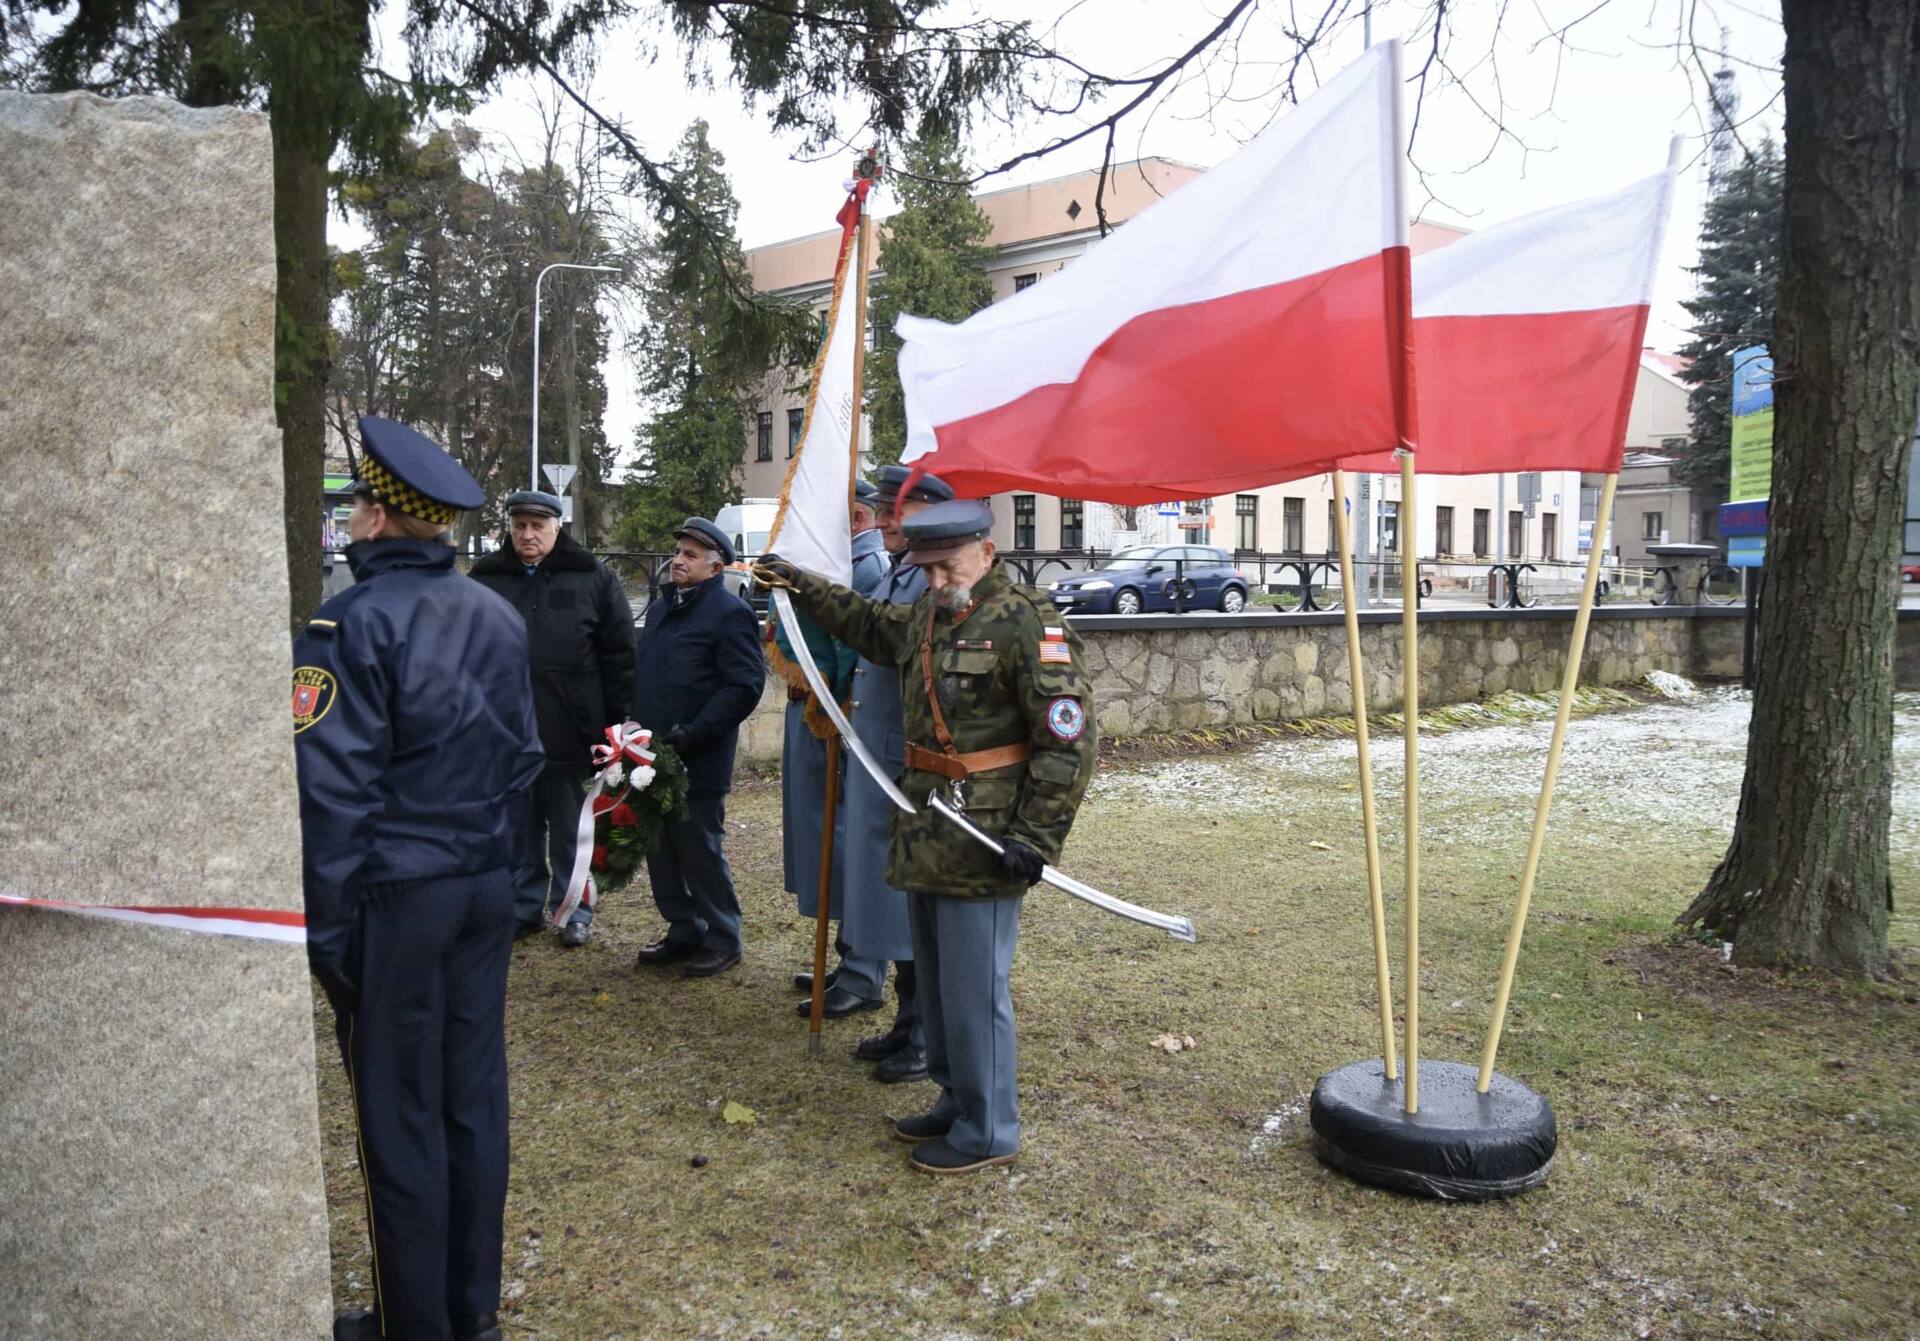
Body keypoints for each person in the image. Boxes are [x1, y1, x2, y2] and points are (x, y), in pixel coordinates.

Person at [292, 416, 544, 1341]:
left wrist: (324, 936)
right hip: (479, 881)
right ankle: (469, 1311)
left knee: (399, 1114)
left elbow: (331, 793)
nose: (354, 516)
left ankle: (416, 1326)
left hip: (399, 894)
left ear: (378, 518)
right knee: (471, 1098)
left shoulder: (348, 622)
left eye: (358, 501)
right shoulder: (494, 612)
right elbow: (524, 758)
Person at [756, 497, 1097, 1174]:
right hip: (926, 825)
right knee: (939, 984)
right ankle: (955, 1096)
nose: (937, 580)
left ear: (985, 551)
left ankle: (991, 1126)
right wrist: (796, 582)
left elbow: (1069, 741)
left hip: (987, 836)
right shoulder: (929, 617)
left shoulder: (1028, 622)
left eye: (948, 566)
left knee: (975, 989)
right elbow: (867, 622)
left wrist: (1038, 836)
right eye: (927, 568)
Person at [815, 464, 955, 1083]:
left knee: (915, 905)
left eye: (904, 511)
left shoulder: (935, 584)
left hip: (909, 764)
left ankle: (925, 1036)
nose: (890, 520)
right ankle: (906, 1023)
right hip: (882, 757)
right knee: (890, 897)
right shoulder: (903, 573)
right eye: (890, 509)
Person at [470, 489, 636, 946]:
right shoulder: (486, 580)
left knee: (570, 830)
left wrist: (615, 722)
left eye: (537, 526)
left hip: (573, 728)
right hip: (508, 731)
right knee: (519, 829)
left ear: (556, 528)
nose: (527, 534)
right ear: (509, 528)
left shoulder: (593, 578)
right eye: (519, 525)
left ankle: (574, 908)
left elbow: (619, 654)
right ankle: (523, 907)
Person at [630, 516, 765, 978]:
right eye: (678, 552)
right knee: (660, 848)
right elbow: (647, 671)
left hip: (698, 757)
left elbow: (744, 685)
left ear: (715, 567)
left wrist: (697, 730)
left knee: (698, 849)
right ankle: (683, 928)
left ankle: (723, 936)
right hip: (651, 754)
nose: (678, 561)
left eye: (690, 555)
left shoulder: (730, 614)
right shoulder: (663, 606)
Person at [780, 478, 890, 1018]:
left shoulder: (866, 569)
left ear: (858, 519)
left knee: (850, 845)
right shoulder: (841, 564)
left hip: (848, 724)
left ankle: (864, 971)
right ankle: (847, 956)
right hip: (827, 717)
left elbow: (863, 651)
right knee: (830, 841)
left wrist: (843, 720)